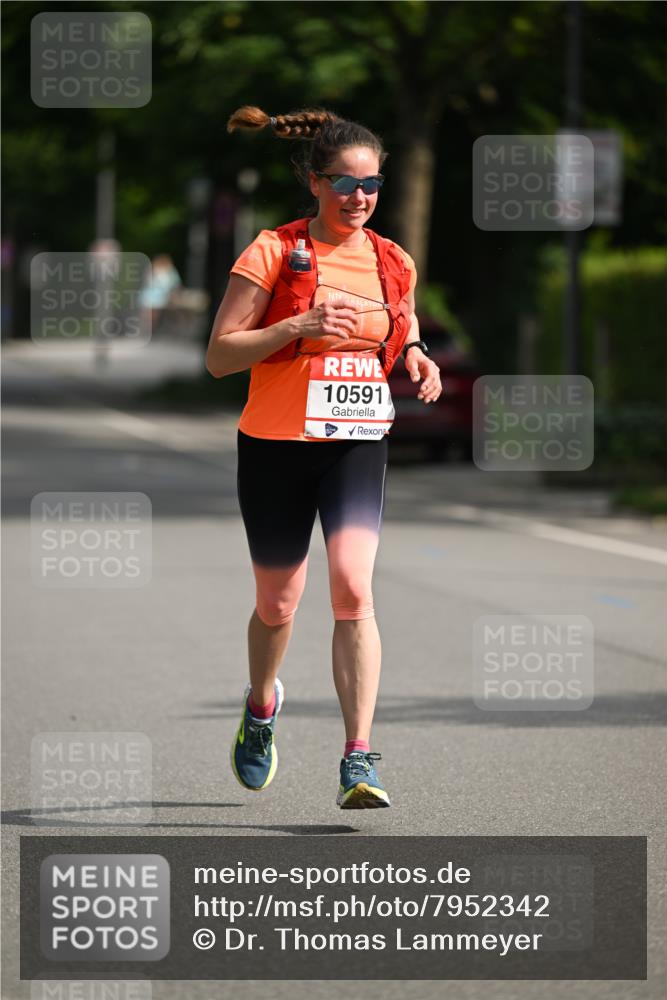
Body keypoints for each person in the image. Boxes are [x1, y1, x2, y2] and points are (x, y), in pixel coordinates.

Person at [206, 106, 442, 808]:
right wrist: (297, 324)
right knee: (278, 603)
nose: (358, 198)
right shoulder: (272, 251)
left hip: (355, 443)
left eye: (369, 186)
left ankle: (358, 759)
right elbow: (220, 356)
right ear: (314, 183)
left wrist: (418, 357)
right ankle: (259, 708)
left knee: (352, 587)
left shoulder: (391, 259)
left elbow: (400, 327)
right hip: (275, 445)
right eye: (343, 184)